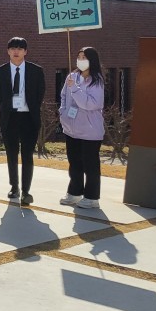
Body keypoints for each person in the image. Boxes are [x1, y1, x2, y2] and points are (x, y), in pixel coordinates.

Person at [0, 37, 46, 205]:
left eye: (20, 48)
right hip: (10, 117)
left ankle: (26, 191)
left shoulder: (36, 71)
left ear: (25, 52)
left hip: (29, 117)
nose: (16, 52)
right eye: (13, 48)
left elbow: (39, 94)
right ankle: (14, 187)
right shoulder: (0, 71)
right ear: (8, 51)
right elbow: (1, 96)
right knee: (11, 154)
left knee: (27, 155)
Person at [59, 47, 106, 209]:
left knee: (90, 165)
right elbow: (64, 96)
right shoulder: (72, 77)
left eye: (84, 57)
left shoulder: (96, 81)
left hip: (90, 131)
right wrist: (63, 112)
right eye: (79, 57)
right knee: (75, 163)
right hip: (72, 129)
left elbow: (91, 104)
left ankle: (92, 197)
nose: (80, 60)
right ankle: (74, 193)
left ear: (92, 60)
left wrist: (75, 89)